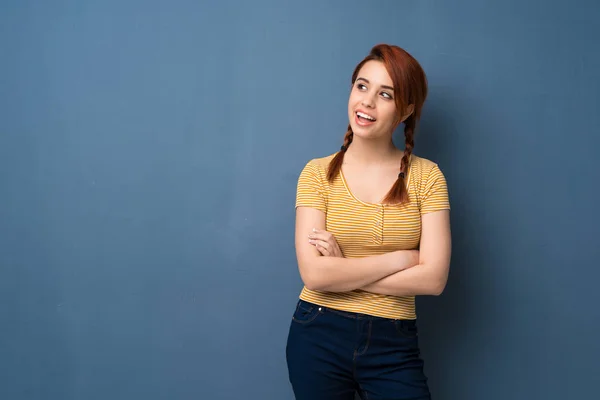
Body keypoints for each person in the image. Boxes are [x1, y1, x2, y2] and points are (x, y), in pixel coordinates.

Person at [285, 44, 452, 400]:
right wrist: (401, 258)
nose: (367, 102)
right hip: (318, 332)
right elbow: (314, 275)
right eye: (362, 86)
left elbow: (434, 279)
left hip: (394, 343)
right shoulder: (316, 174)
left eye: (385, 94)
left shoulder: (428, 177)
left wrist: (343, 268)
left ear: (406, 110)